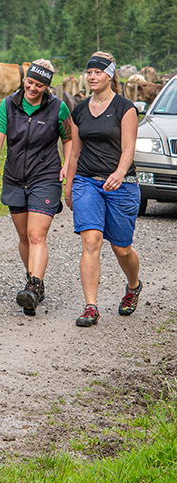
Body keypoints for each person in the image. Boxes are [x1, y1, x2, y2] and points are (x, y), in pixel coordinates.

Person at [0, 59, 72, 316]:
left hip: (45, 177)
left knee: (36, 235)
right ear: (25, 80)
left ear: (47, 86)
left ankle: (32, 287)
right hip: (14, 177)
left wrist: (67, 165)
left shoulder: (59, 108)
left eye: (39, 84)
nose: (33, 88)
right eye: (30, 82)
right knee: (24, 237)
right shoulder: (8, 105)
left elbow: (68, 139)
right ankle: (36, 281)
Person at [64, 51, 142, 328]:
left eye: (98, 72)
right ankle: (90, 307)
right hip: (87, 182)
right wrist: (69, 184)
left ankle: (133, 285)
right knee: (91, 241)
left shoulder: (125, 107)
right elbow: (75, 151)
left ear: (110, 75)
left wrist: (120, 173)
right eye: (90, 72)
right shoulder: (80, 110)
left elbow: (129, 147)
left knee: (122, 249)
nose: (92, 76)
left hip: (121, 185)